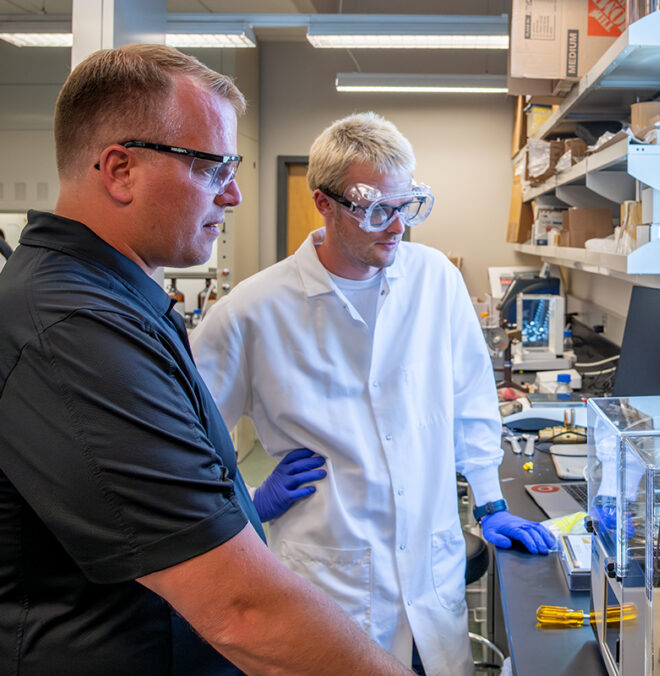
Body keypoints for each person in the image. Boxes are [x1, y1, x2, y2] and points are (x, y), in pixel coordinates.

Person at [0, 46, 412, 676]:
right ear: (120, 170)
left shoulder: (118, 303)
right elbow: (239, 607)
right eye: (213, 168)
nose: (235, 194)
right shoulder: (70, 331)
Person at [191, 112, 556, 675]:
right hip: (328, 588)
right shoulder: (251, 311)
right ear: (325, 202)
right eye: (377, 208)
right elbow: (182, 447)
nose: (396, 226)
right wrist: (250, 501)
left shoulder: (436, 280)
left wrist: (490, 503)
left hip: (431, 580)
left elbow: (472, 400)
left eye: (406, 206)